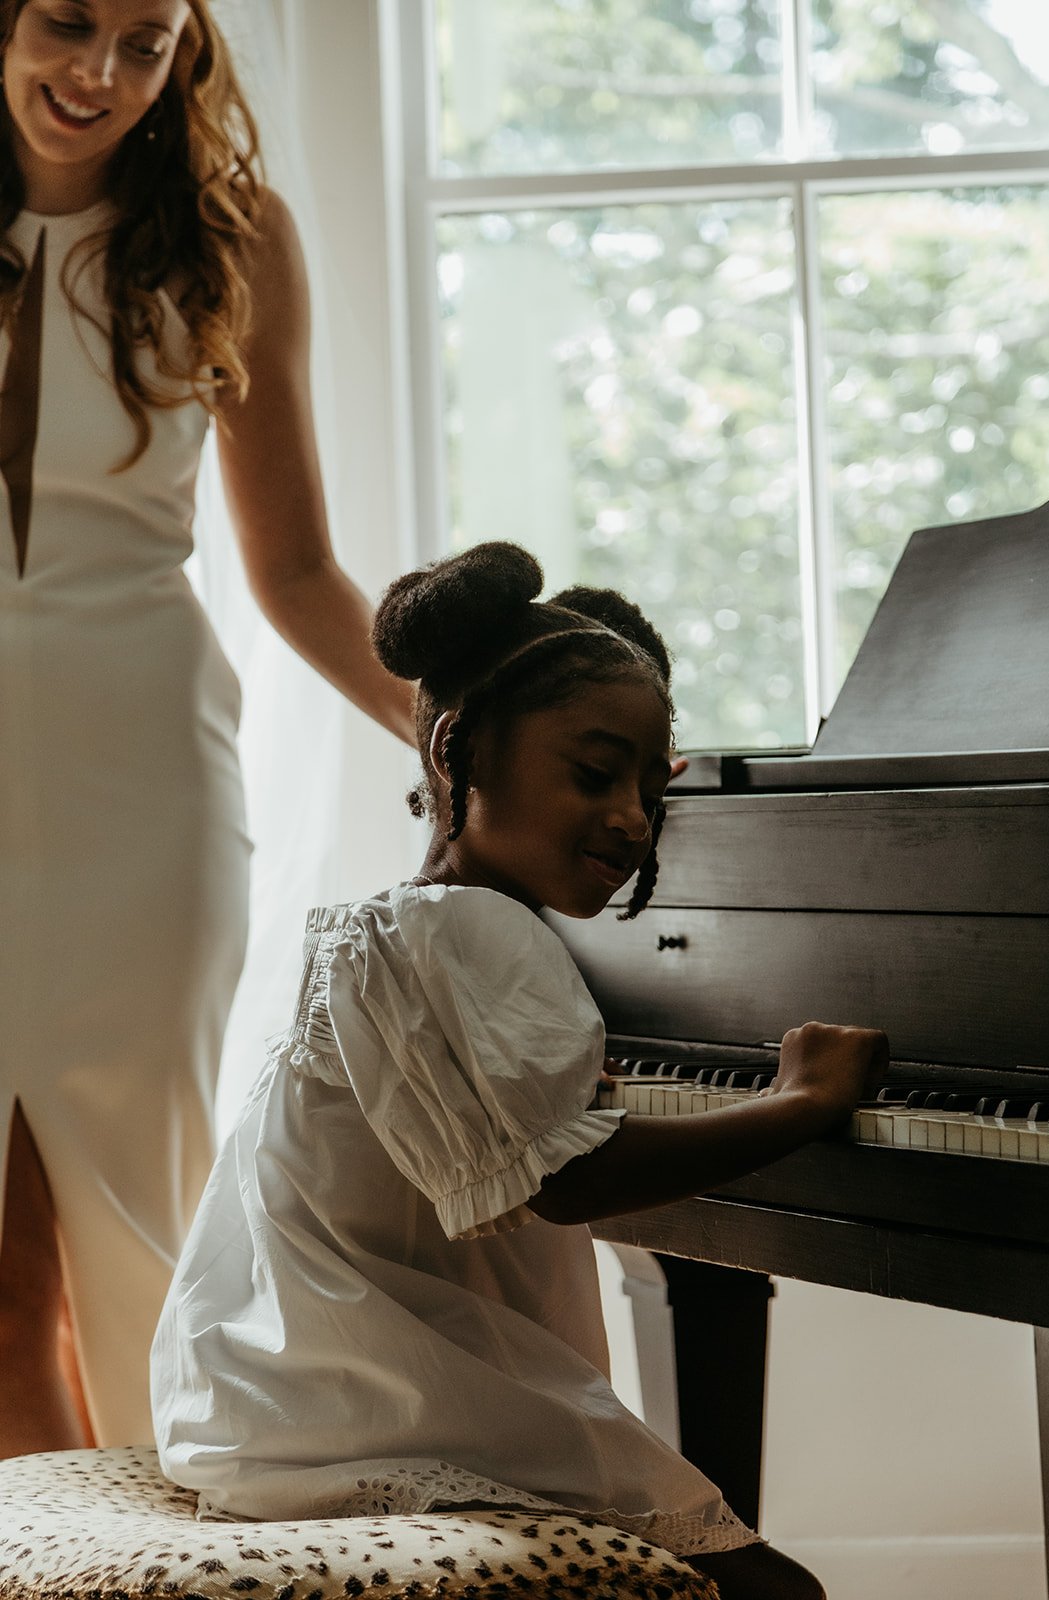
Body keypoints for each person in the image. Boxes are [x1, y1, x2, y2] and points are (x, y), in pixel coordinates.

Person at [151, 541, 887, 1600]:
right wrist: (800, 1101)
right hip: (390, 1412)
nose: (631, 815)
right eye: (593, 774)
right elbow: (573, 1177)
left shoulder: (398, 925)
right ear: (458, 751)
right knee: (776, 1592)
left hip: (272, 1396)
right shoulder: (479, 935)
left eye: (650, 785)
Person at [0, 0, 413, 1457]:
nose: (98, 74)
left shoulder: (233, 242)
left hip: (141, 769)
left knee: (125, 1223)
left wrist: (437, 723)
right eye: (67, 24)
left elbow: (294, 569)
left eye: (145, 41)